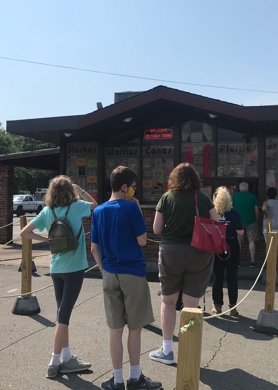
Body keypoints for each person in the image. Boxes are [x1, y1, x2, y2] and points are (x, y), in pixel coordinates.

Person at [90, 166, 162, 390]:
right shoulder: (131, 209)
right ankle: (135, 377)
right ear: (124, 187)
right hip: (132, 271)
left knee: (115, 329)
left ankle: (117, 379)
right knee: (135, 328)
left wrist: (104, 270)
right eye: (132, 187)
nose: (134, 190)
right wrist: (138, 210)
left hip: (110, 272)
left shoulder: (99, 211)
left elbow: (94, 248)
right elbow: (142, 240)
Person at [20, 175, 97, 379]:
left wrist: (46, 240)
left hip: (56, 269)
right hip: (75, 268)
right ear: (69, 192)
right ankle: (54, 362)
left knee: (61, 313)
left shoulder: (47, 211)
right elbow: (95, 205)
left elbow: (25, 233)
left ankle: (67, 357)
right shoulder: (78, 206)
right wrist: (80, 190)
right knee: (63, 317)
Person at [149, 163, 219, 365]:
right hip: (200, 252)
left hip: (172, 251)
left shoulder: (167, 197)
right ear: (196, 179)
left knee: (168, 301)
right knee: (191, 305)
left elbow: (156, 229)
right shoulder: (203, 197)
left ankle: (167, 350)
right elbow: (215, 223)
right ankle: (189, 353)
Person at [211, 186, 244, 316]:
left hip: (217, 245)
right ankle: (232, 307)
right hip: (231, 245)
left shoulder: (213, 213)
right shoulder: (234, 213)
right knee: (232, 276)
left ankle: (217, 306)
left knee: (217, 276)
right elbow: (240, 232)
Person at [232, 182, 260, 267]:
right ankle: (252, 261)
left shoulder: (234, 197)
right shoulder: (253, 197)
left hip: (238, 223)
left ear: (240, 188)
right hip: (251, 222)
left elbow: (232, 210)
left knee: (238, 242)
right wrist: (256, 220)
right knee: (251, 241)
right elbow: (257, 211)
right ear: (247, 188)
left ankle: (238, 261)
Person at [262, 187, 278, 270]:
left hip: (268, 226)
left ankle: (270, 264)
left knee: (269, 246)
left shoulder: (266, 202)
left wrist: (267, 216)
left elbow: (263, 208)